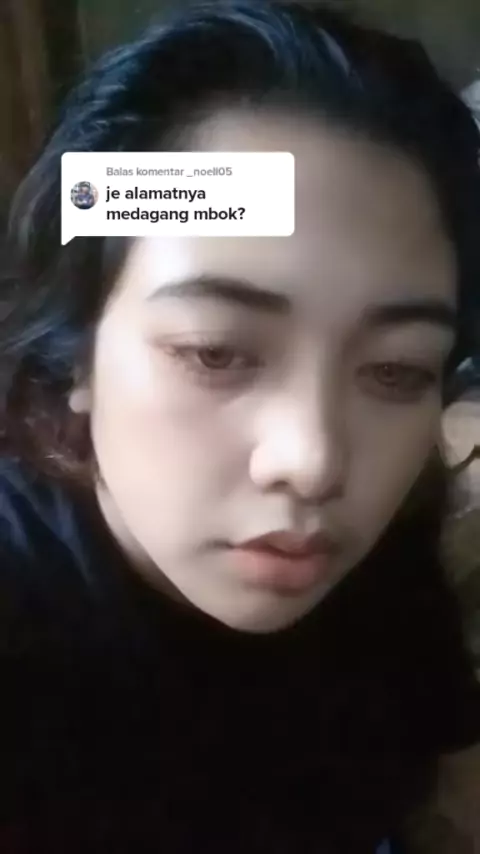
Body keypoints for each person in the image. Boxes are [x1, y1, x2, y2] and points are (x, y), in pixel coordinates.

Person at [0, 1, 479, 851]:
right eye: (215, 352)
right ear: (76, 359)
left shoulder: (388, 558)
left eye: (397, 370)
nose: (314, 461)